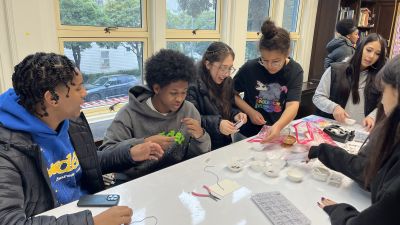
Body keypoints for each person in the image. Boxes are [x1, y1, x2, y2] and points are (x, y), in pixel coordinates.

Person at [0, 52, 164, 225]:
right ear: (52, 99)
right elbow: (8, 221)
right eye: (78, 88)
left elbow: (86, 162)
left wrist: (130, 153)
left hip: (85, 206)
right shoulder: (7, 150)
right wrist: (91, 222)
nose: (85, 93)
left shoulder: (71, 121)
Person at [310, 54, 400, 225]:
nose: (382, 100)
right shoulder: (336, 70)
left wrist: (343, 213)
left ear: (396, 92)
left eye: (384, 91)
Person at [100, 49, 211, 181]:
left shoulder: (189, 110)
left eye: (184, 92)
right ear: (157, 88)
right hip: (138, 182)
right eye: (174, 93)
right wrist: (144, 143)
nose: (180, 99)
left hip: (177, 179)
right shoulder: (129, 114)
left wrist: (200, 136)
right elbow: (106, 154)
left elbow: (200, 155)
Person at [233, 19, 304, 143]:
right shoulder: (250, 68)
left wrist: (278, 126)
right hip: (246, 134)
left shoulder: (295, 71)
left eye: (276, 61)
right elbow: (231, 93)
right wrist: (250, 112)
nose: (269, 66)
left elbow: (292, 105)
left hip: (276, 131)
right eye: (264, 60)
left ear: (286, 54)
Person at [313, 33, 387, 131]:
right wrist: (334, 107)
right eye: (369, 50)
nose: (371, 56)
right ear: (361, 48)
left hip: (361, 131)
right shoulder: (335, 70)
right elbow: (318, 97)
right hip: (333, 129)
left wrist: (372, 117)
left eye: (377, 54)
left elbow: (383, 104)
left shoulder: (380, 78)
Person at [186, 42, 247, 150]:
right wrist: (217, 124)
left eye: (230, 68)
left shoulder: (227, 81)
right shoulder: (192, 85)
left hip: (222, 144)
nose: (227, 73)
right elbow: (191, 120)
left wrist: (236, 114)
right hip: (200, 147)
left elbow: (230, 106)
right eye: (223, 68)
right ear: (208, 64)